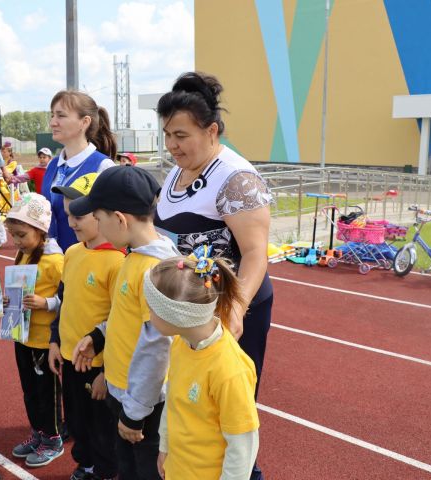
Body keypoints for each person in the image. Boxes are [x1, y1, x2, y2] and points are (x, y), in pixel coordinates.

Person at [154, 72, 272, 480]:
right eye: (167, 134)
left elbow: (256, 252)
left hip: (230, 305)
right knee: (190, 401)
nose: (172, 145)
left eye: (181, 135)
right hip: (192, 302)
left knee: (229, 414)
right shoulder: (177, 171)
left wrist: (236, 308)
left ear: (212, 130)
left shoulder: (235, 179)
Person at [69, 166, 179, 480]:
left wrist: (133, 415)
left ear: (119, 219)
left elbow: (158, 348)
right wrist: (98, 336)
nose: (98, 227)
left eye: (99, 219)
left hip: (143, 407)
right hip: (127, 396)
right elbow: (124, 316)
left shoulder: (153, 270)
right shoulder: (133, 257)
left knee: (144, 472)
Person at [145, 249, 259, 480]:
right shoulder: (180, 344)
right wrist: (165, 447)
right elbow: (174, 403)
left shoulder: (229, 370)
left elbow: (242, 448)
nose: (147, 314)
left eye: (152, 308)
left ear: (176, 316)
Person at [48, 173, 123, 480]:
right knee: (77, 421)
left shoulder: (117, 262)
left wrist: (108, 370)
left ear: (100, 214)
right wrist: (54, 340)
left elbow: (120, 321)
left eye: (78, 215)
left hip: (97, 363)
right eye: (67, 215)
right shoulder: (72, 253)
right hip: (69, 356)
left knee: (102, 425)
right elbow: (64, 299)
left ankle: (105, 471)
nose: (71, 223)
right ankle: (86, 465)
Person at [3, 192, 65, 468]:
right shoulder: (23, 254)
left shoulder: (55, 261)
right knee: (29, 389)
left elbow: (70, 297)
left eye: (21, 235)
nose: (16, 241)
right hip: (22, 335)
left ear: (41, 231)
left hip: (43, 341)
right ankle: (38, 433)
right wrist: (10, 299)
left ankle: (54, 438)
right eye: (13, 235)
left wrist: (47, 302)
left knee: (47, 391)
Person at [41, 90, 117, 252]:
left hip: (88, 263)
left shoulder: (103, 167)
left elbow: (114, 224)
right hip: (51, 263)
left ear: (84, 122)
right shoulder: (53, 165)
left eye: (61, 116)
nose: (53, 122)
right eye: (52, 115)